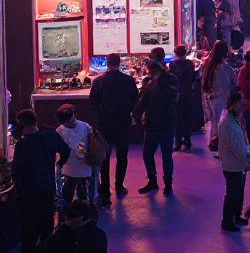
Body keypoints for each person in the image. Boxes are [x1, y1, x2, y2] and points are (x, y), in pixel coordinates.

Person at [6, 110, 69, 253]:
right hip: (47, 185)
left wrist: (17, 186)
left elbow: (16, 169)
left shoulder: (22, 144)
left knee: (28, 224)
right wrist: (59, 164)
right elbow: (66, 150)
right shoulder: (50, 135)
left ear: (23, 125)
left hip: (28, 190)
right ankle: (45, 251)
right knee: (47, 220)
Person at [88, 53, 140, 202]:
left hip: (104, 123)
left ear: (107, 63)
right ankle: (119, 185)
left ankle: (104, 188)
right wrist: (128, 110)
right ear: (119, 63)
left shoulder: (99, 81)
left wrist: (100, 114)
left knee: (104, 156)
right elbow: (135, 99)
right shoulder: (128, 80)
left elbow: (93, 102)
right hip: (123, 122)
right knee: (122, 155)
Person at [135, 58, 179, 197]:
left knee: (166, 156)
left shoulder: (170, 80)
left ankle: (167, 184)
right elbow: (144, 102)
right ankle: (153, 181)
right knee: (148, 154)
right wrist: (137, 114)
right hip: (153, 124)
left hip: (165, 123)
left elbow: (172, 99)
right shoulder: (150, 83)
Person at [217, 91, 250, 233]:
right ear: (232, 104)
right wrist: (246, 160)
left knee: (238, 192)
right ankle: (227, 221)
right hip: (233, 164)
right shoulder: (228, 123)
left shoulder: (233, 119)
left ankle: (236, 216)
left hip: (237, 163)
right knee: (232, 193)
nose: (241, 106)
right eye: (239, 103)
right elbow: (235, 146)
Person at [55, 104, 94, 207]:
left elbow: (91, 145)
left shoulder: (85, 127)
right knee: (69, 194)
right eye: (70, 120)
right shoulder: (60, 131)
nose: (73, 121)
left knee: (81, 194)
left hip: (82, 167)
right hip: (70, 168)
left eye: (73, 118)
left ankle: (81, 212)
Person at [202, 40, 235, 147]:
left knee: (215, 122)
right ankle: (219, 145)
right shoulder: (225, 69)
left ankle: (215, 143)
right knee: (221, 124)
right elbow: (229, 85)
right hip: (222, 99)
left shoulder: (210, 64)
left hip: (212, 99)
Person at [168, 45, 197, 154]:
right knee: (187, 117)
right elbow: (194, 78)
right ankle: (188, 141)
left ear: (175, 54)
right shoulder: (190, 64)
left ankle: (178, 142)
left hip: (177, 95)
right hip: (188, 94)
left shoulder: (173, 65)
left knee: (178, 119)